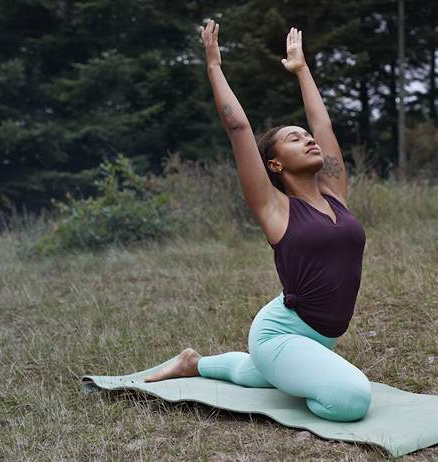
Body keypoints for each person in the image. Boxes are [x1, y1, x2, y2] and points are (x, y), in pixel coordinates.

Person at [143, 20, 371, 422]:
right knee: (351, 401)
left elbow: (324, 125)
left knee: (261, 373)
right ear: (275, 163)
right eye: (295, 138)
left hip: (316, 337)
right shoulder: (275, 208)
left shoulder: (335, 193)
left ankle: (193, 362)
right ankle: (276, 370)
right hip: (280, 333)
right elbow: (237, 126)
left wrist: (302, 70)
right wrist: (214, 65)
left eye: (306, 135)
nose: (309, 139)